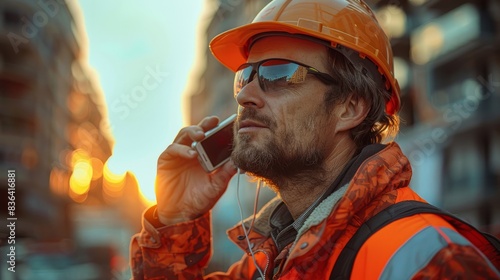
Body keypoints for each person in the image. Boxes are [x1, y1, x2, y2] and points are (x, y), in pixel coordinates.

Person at [130, 0, 500, 279]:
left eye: (278, 73)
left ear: (350, 108)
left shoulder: (427, 258)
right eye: (246, 76)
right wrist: (175, 219)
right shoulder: (271, 257)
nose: (244, 96)